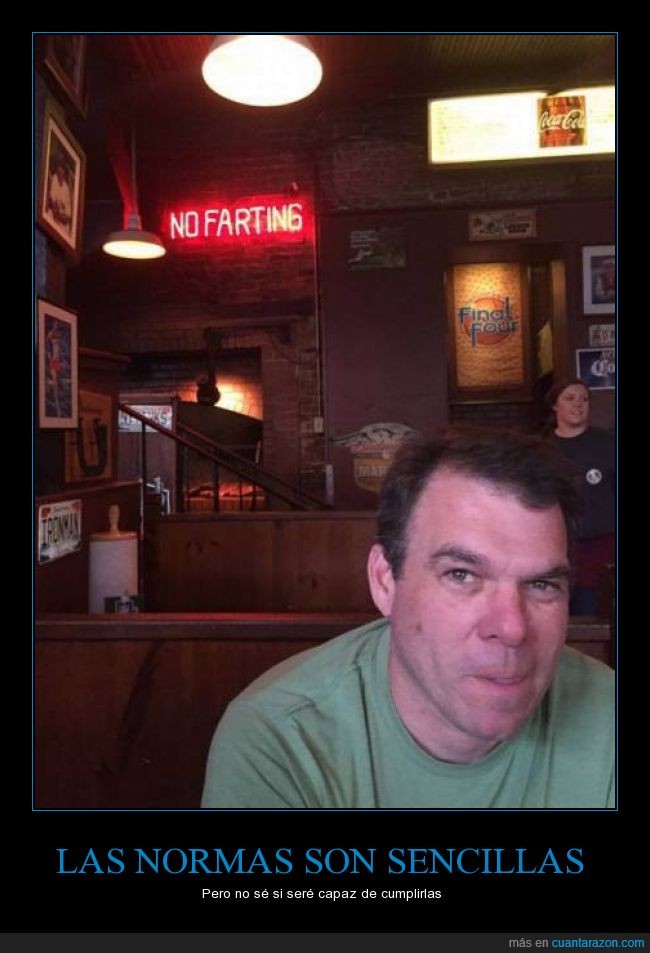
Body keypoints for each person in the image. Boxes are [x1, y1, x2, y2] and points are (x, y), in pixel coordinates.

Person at [201, 428, 614, 809]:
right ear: (385, 581)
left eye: (542, 585)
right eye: (461, 575)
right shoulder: (280, 738)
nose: (511, 628)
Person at [545, 378, 615, 616]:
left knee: (592, 614)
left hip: (600, 549)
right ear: (555, 405)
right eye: (570, 398)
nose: (578, 404)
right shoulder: (541, 448)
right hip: (555, 546)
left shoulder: (607, 443)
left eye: (584, 399)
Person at [47, 159, 72, 232]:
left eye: (61, 170)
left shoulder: (66, 189)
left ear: (64, 174)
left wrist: (59, 216)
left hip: (63, 222)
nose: (59, 172)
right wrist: (55, 210)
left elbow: (68, 216)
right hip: (54, 214)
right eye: (58, 169)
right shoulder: (55, 178)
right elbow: (53, 198)